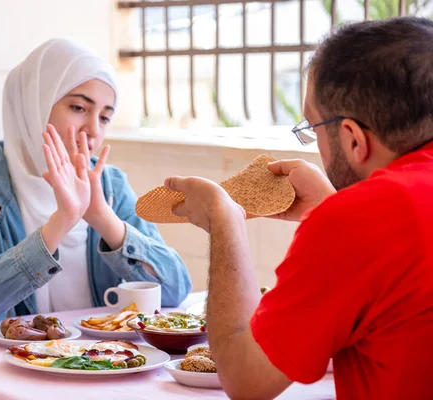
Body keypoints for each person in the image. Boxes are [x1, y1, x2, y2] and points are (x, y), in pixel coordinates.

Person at [164, 17, 433, 399]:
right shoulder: (370, 219)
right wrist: (334, 206)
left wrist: (226, 220)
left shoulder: (357, 220)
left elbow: (246, 380)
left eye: (313, 126)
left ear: (354, 139)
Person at [0, 39, 192, 324]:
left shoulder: (108, 185)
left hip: (96, 359)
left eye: (105, 117)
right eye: (79, 108)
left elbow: (176, 289)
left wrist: (103, 218)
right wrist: (63, 220)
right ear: (35, 105)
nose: (93, 131)